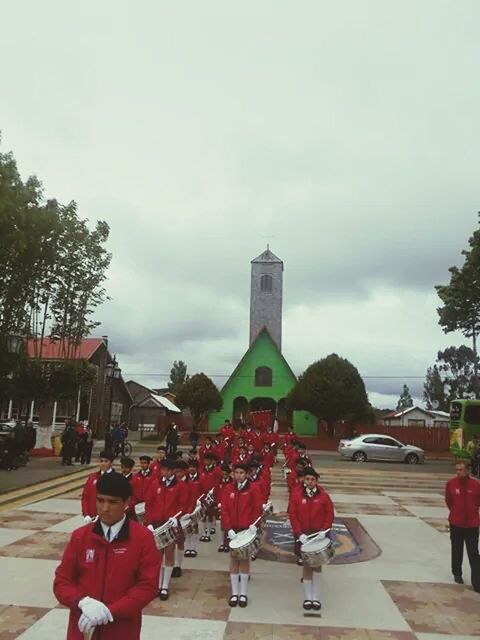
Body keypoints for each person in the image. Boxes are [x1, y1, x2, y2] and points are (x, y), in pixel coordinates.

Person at [53, 472, 160, 639]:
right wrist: (82, 602)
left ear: (127, 503)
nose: (105, 508)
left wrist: (109, 612)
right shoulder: (81, 536)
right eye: (100, 500)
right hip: (83, 627)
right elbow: (62, 581)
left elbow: (147, 586)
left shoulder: (142, 538)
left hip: (121, 630)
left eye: (113, 502)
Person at [288, 466, 335, 611]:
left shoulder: (324, 496)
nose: (310, 482)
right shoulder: (296, 496)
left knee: (318, 566)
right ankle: (308, 597)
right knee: (307, 566)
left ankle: (316, 597)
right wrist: (298, 533)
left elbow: (329, 513)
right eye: (307, 479)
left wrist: (325, 529)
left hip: (319, 535)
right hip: (304, 536)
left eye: (313, 479)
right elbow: (293, 515)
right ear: (304, 481)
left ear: (317, 481)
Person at [144, 458, 188, 600]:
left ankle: (165, 586)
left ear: (173, 471)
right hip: (156, 524)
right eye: (163, 470)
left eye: (168, 470)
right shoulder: (155, 484)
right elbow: (149, 504)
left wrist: (177, 516)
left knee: (169, 554)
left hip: (170, 524)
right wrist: (149, 522)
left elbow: (183, 505)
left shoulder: (180, 486)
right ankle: (156, 585)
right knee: (156, 556)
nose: (165, 473)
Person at [221, 462, 263, 608]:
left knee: (244, 560)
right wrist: (228, 528)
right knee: (233, 560)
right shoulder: (228, 489)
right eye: (236, 472)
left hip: (247, 530)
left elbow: (258, 509)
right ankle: (234, 593)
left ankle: (243, 593)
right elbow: (224, 509)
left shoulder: (253, 489)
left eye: (241, 472)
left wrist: (254, 525)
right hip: (233, 530)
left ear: (247, 474)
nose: (238, 475)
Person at [445, 460, 480, 589]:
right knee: (456, 549)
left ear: (467, 471)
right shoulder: (451, 484)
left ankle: (477, 583)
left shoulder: (476, 485)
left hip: (472, 525)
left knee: (474, 553)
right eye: (457, 470)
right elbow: (449, 501)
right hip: (456, 524)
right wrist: (456, 513)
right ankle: (457, 573)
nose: (458, 472)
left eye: (461, 470)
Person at [81, 451, 116, 521]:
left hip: (109, 518)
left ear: (111, 463)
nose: (103, 464)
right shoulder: (92, 477)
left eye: (106, 461)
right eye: (101, 461)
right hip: (91, 517)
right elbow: (85, 497)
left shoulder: (117, 478)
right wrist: (86, 514)